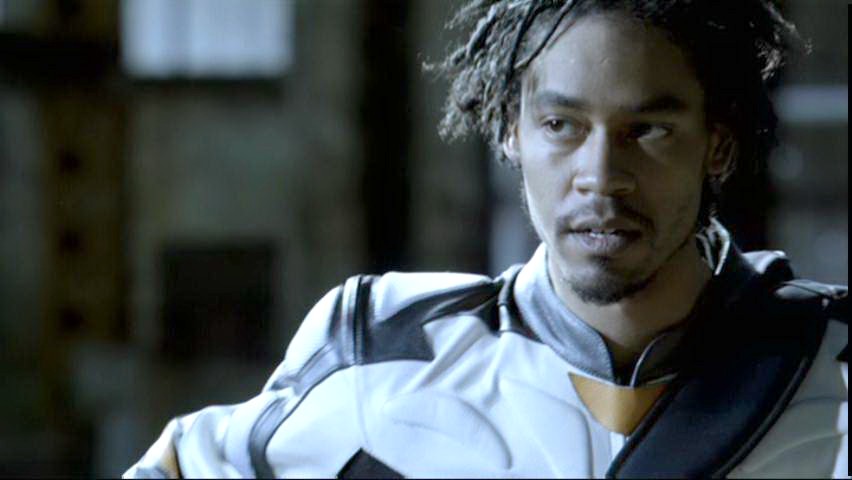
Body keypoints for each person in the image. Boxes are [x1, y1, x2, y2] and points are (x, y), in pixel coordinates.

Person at [125, 0, 848, 478]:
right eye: (561, 126)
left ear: (717, 145)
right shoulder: (385, 350)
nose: (601, 177)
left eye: (648, 130)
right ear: (510, 132)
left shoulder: (831, 364)